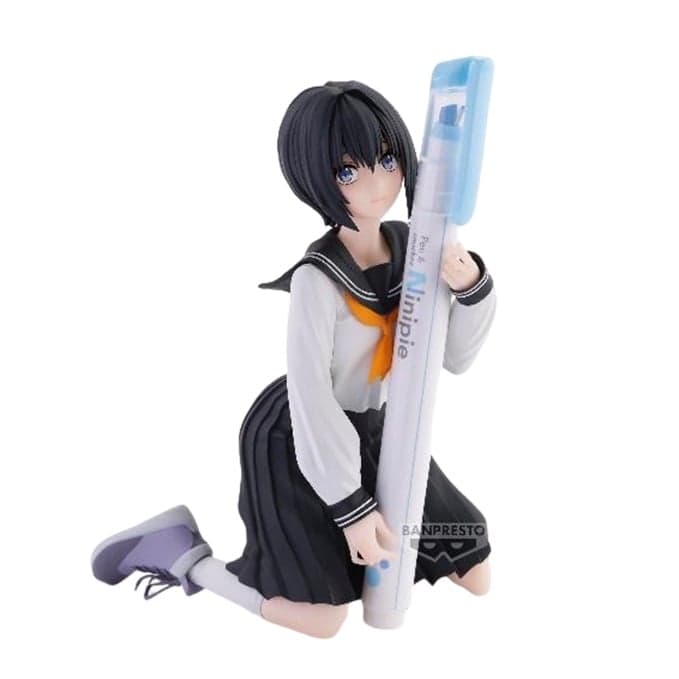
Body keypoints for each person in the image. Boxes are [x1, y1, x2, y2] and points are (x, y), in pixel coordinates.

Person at [90, 80, 497, 639]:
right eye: (348, 171)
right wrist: (350, 506)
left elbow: (451, 358)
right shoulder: (316, 279)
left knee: (472, 567)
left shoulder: (415, 247)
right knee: (322, 618)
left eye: (386, 160)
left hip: (382, 428)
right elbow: (311, 395)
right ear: (315, 179)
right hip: (298, 436)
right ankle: (183, 554)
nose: (377, 184)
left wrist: (471, 286)